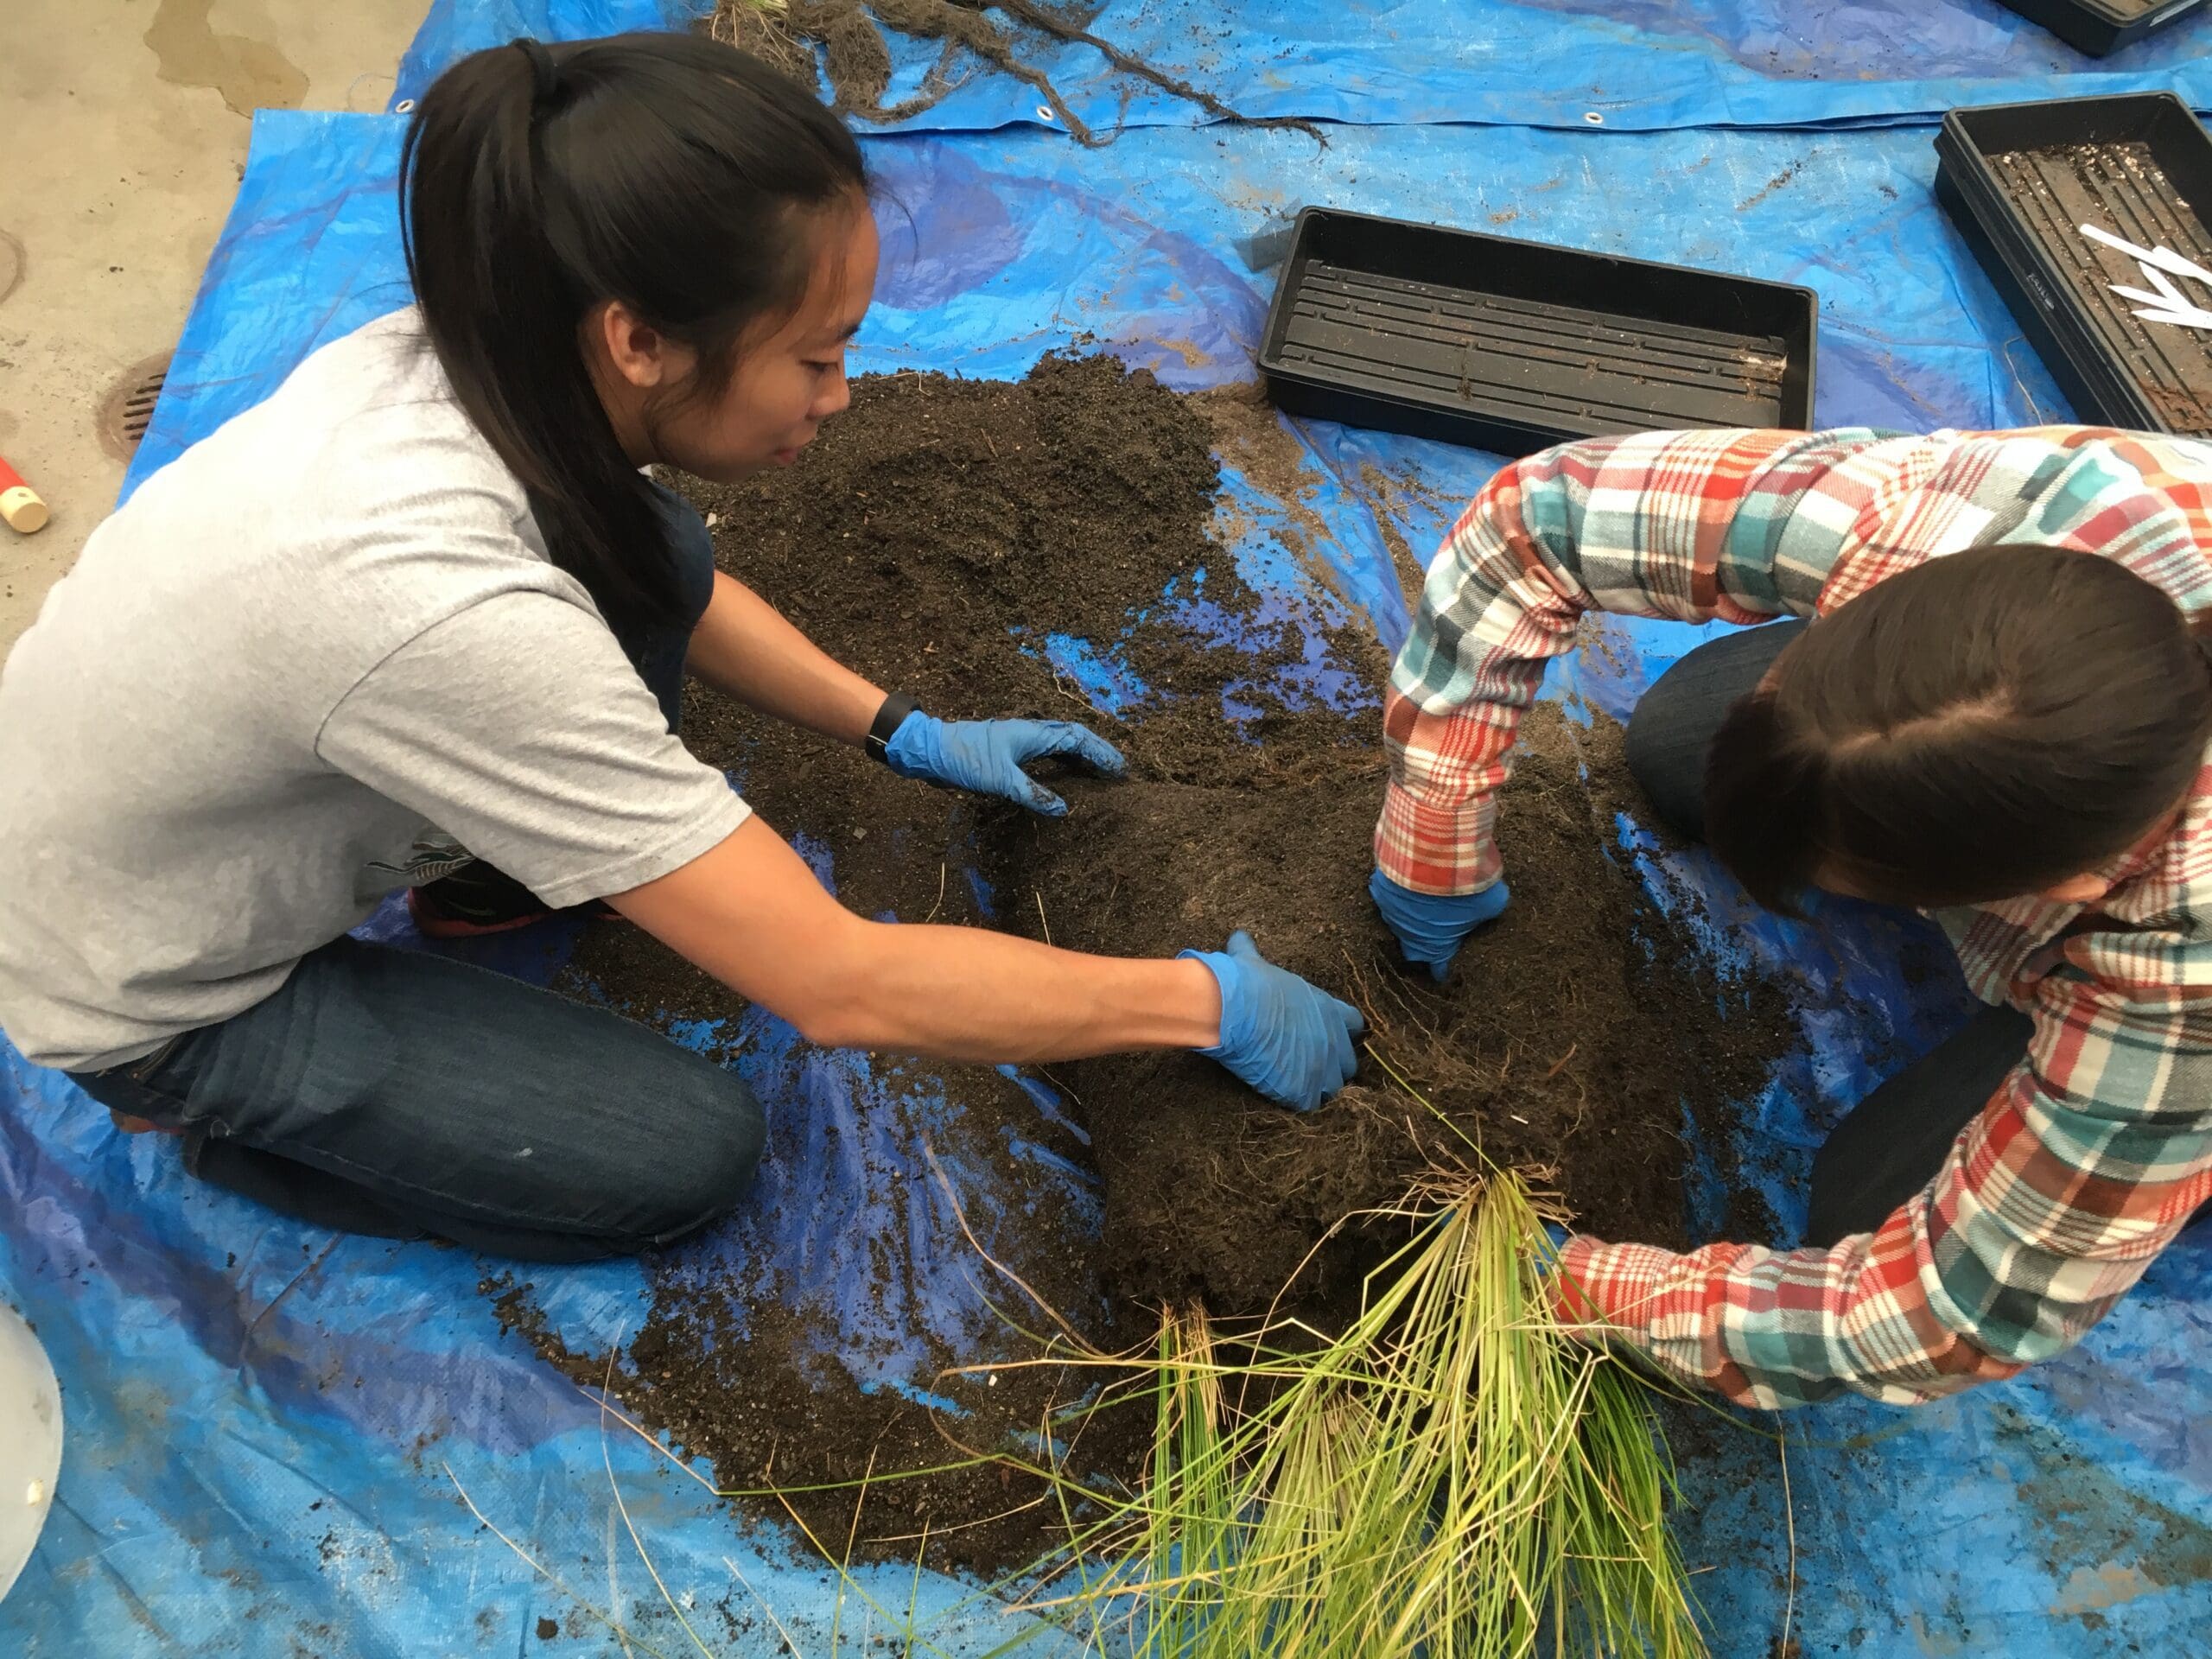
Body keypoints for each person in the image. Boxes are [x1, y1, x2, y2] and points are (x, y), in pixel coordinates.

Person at [0, 34, 1361, 1263]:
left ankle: (486, 888)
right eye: (816, 358)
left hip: (185, 794)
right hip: (157, 980)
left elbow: (670, 591)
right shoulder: (440, 610)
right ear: (640, 340)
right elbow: (843, 984)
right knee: (680, 1156)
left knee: (656, 544)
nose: (841, 397)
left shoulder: (490, 351)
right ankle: (224, 1119)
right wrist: (1205, 1005)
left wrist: (902, 729)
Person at [1369, 423, 2212, 1408]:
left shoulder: (2181, 974)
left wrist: (1580, 1292)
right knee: (1682, 747)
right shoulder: (1953, 514)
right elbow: (1528, 521)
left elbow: (1940, 1320)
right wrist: (1434, 834)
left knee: (1868, 1205)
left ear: (2062, 888)